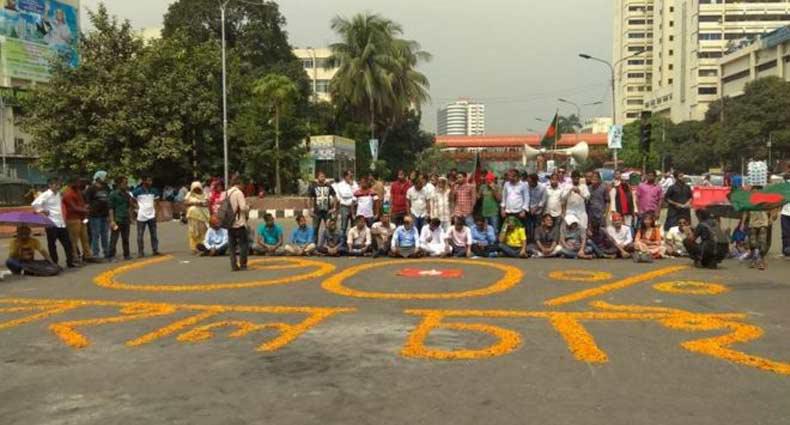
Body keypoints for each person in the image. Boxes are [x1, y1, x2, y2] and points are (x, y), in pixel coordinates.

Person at [31, 177, 75, 268]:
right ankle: (55, 263)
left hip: (60, 222)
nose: (58, 186)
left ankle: (70, 262)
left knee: (67, 243)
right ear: (50, 185)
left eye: (59, 184)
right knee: (52, 245)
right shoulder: (46, 194)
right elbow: (35, 204)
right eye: (56, 184)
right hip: (51, 222)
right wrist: (42, 210)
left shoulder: (58, 194)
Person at [743, 189, 779, 270]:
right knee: (752, 242)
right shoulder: (749, 201)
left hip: (763, 223)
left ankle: (761, 260)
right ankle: (753, 260)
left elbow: (773, 209)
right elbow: (745, 212)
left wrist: (771, 218)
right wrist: (742, 223)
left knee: (762, 242)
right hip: (752, 223)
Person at [62, 177, 92, 264]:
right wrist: (86, 210)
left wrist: (85, 208)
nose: (79, 184)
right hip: (72, 219)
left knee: (85, 238)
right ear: (71, 183)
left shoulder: (78, 191)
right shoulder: (68, 193)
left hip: (81, 218)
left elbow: (81, 203)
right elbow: (73, 207)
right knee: (74, 240)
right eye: (77, 182)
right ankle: (74, 257)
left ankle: (87, 255)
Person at [84, 170, 111, 260]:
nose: (106, 179)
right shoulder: (91, 189)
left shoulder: (106, 188)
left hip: (104, 214)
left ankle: (106, 252)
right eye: (105, 177)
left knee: (105, 234)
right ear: (99, 178)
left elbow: (107, 201)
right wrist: (87, 213)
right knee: (95, 234)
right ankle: (95, 253)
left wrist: (108, 215)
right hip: (94, 215)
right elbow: (87, 202)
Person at [133, 176, 161, 258]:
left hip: (152, 215)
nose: (150, 182)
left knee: (154, 234)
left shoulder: (154, 191)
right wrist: (136, 207)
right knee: (140, 235)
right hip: (141, 216)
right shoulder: (138, 191)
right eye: (149, 180)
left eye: (151, 180)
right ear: (144, 181)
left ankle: (155, 250)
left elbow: (157, 202)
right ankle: (140, 252)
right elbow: (130, 199)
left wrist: (156, 212)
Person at [108, 176, 135, 261]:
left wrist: (131, 218)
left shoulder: (127, 194)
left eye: (127, 183)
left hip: (125, 218)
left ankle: (126, 254)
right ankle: (111, 256)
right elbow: (111, 208)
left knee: (126, 238)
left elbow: (129, 207)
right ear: (119, 184)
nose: (126, 185)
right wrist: (112, 220)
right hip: (117, 219)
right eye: (124, 183)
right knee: (114, 239)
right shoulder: (113, 194)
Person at [226, 176, 250, 270]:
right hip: (239, 222)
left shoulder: (227, 192)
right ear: (240, 183)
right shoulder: (238, 193)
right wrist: (249, 207)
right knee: (243, 244)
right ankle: (243, 264)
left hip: (229, 222)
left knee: (232, 246)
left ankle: (233, 265)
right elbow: (243, 208)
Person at [308, 171, 336, 244]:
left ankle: (329, 245)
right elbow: (309, 199)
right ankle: (314, 246)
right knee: (315, 229)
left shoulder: (329, 186)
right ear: (318, 178)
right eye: (321, 176)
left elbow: (335, 196)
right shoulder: (313, 186)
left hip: (327, 211)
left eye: (324, 176)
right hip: (317, 212)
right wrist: (310, 210)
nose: (323, 178)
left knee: (329, 228)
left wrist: (334, 208)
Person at [184, 181, 210, 255]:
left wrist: (201, 203)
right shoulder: (189, 194)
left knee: (203, 232)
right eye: (195, 188)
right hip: (193, 217)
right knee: (193, 232)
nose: (197, 190)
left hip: (202, 216)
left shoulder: (204, 194)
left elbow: (207, 203)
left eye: (198, 188)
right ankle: (194, 248)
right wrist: (194, 203)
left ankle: (203, 246)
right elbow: (185, 203)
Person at [334, 170, 358, 237]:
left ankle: (353, 241)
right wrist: (352, 192)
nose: (351, 177)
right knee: (343, 226)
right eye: (349, 176)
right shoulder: (340, 185)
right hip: (345, 207)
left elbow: (357, 193)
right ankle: (342, 242)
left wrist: (352, 185)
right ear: (345, 176)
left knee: (354, 226)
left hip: (354, 207)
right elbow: (344, 194)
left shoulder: (355, 184)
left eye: (352, 176)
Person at [525, 173, 546, 242]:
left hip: (538, 211)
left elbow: (543, 201)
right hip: (528, 210)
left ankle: (536, 241)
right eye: (528, 182)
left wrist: (535, 208)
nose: (528, 183)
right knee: (528, 227)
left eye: (530, 182)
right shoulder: (526, 186)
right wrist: (528, 207)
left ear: (535, 181)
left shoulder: (542, 188)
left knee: (536, 227)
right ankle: (528, 241)